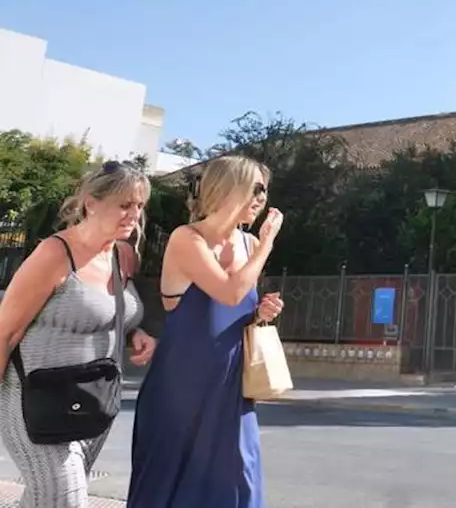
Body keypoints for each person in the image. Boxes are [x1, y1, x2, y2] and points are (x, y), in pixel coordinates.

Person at [128, 155, 285, 508]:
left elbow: (235, 309)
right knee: (170, 485)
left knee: (239, 479)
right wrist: (267, 245)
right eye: (256, 188)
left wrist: (260, 314)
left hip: (231, 386)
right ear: (228, 188)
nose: (262, 199)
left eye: (265, 191)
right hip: (180, 387)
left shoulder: (247, 244)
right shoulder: (187, 238)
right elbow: (229, 292)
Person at [0, 161, 158, 507]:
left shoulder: (124, 256)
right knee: (65, 500)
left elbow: (107, 310)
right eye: (124, 205)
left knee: (46, 499)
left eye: (139, 206)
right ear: (91, 202)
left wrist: (136, 332)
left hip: (92, 399)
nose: (134, 215)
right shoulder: (54, 254)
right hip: (32, 399)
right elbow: (6, 331)